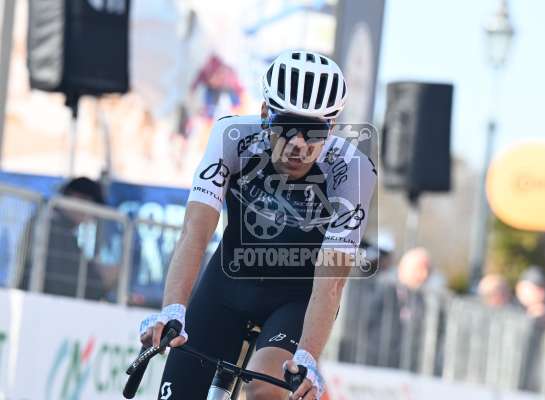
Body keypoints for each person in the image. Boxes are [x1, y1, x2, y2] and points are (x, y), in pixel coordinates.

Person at [140, 50, 376, 400]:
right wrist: (173, 308)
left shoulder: (352, 170)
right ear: (265, 114)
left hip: (295, 299)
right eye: (287, 126)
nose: (298, 144)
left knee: (265, 387)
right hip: (227, 284)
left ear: (331, 128)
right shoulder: (232, 136)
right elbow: (195, 233)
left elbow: (332, 281)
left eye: (313, 131)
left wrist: (307, 357)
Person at [20, 177, 114, 300]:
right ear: (78, 199)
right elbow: (77, 282)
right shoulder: (54, 227)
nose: (92, 218)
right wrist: (105, 276)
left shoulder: (51, 223)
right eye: (94, 209)